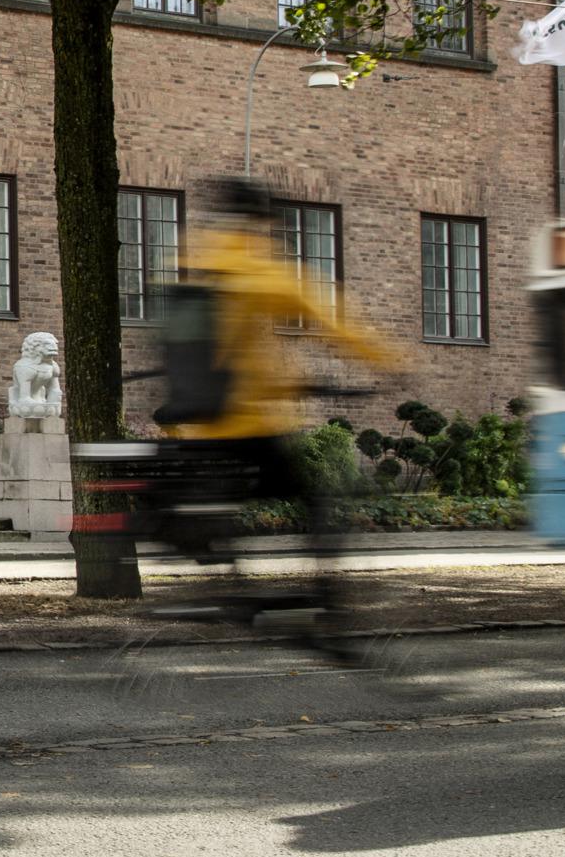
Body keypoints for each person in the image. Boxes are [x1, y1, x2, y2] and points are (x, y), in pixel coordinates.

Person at [149, 175, 403, 635]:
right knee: (319, 502)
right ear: (264, 221)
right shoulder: (263, 271)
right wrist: (391, 363)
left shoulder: (194, 260)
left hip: (199, 425)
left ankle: (228, 585)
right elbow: (332, 321)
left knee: (221, 511)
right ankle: (325, 602)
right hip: (249, 424)